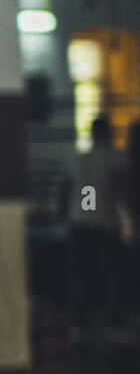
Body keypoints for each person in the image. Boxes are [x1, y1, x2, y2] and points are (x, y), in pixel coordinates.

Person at [63, 116, 129, 334]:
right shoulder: (116, 158)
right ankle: (113, 321)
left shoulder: (76, 159)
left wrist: (63, 215)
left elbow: (65, 189)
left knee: (81, 272)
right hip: (104, 223)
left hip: (79, 221)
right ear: (108, 133)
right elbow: (121, 191)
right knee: (111, 272)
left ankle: (79, 322)